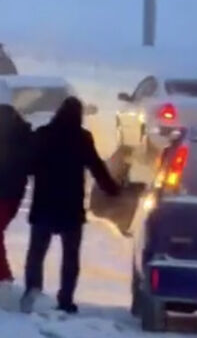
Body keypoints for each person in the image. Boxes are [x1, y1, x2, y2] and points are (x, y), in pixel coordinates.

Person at [21, 97, 121, 314]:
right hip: (71, 207)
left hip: (44, 204)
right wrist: (113, 190)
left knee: (36, 253)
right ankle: (65, 300)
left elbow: (27, 165)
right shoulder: (82, 138)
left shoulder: (43, 134)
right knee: (70, 256)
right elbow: (96, 166)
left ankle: (32, 292)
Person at [0, 104, 32, 283]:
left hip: (7, 195)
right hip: (13, 195)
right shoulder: (25, 137)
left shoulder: (18, 139)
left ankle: (4, 277)